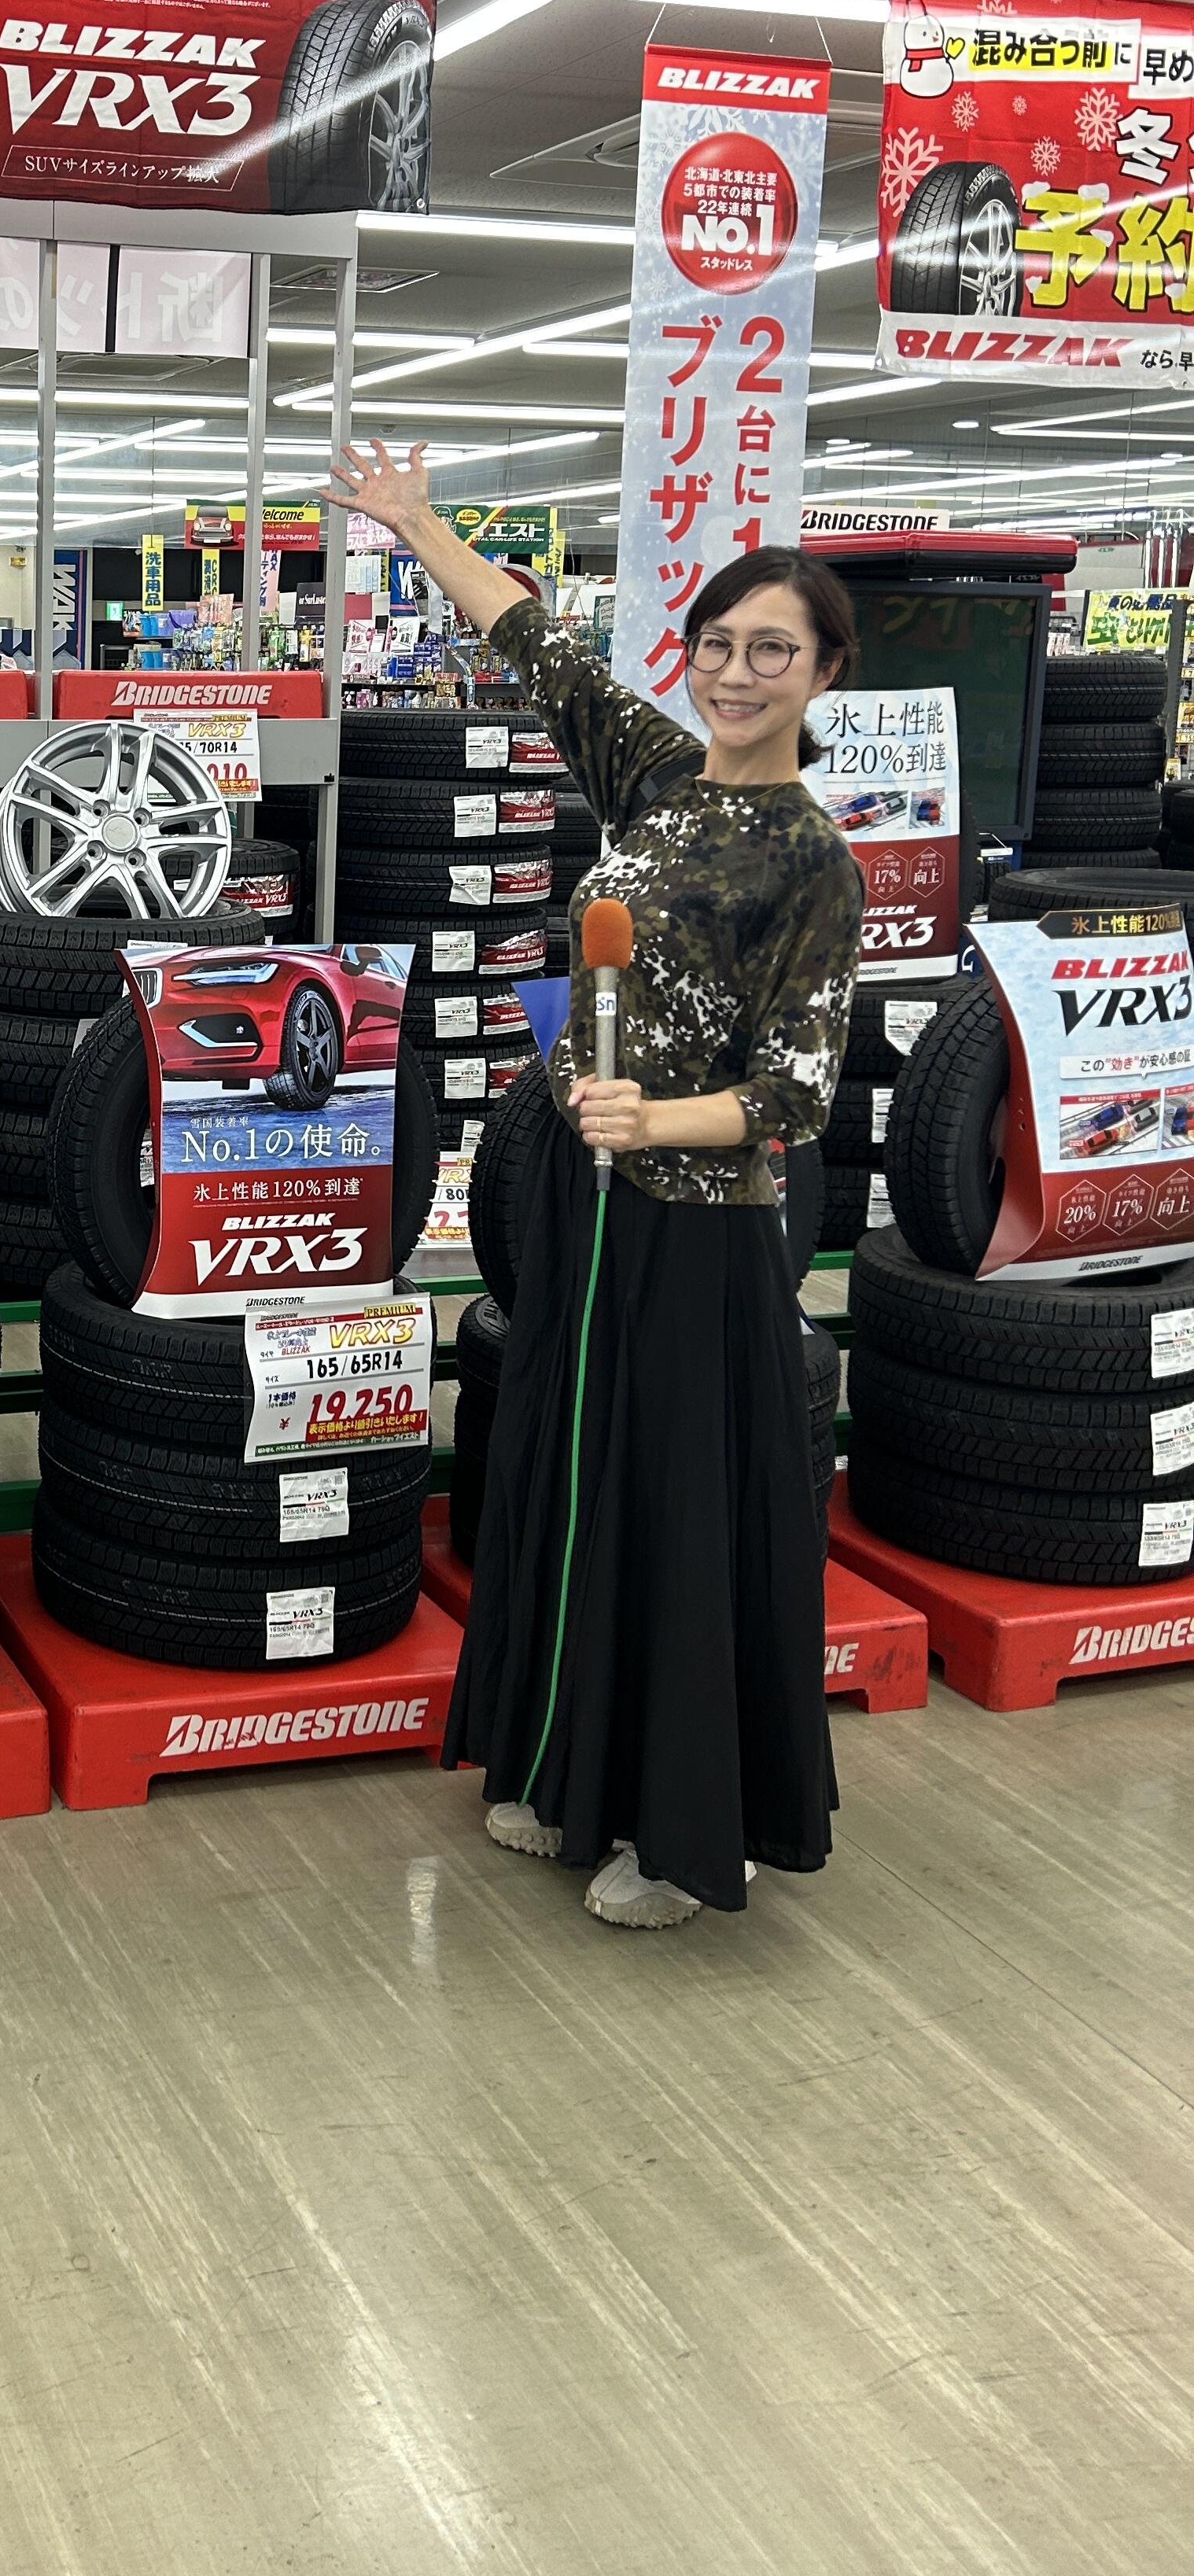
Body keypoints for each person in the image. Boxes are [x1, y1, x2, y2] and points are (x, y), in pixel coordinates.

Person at [324, 440, 861, 1929]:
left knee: (673, 1512)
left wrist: (653, 1116)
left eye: (772, 650)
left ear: (824, 673)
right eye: (718, 643)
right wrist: (420, 527)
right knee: (567, 1479)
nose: (736, 672)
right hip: (583, 1197)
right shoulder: (660, 776)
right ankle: (563, 1765)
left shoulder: (814, 859)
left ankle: (683, 1834)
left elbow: (800, 1093)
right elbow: (537, 646)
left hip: (699, 1228)